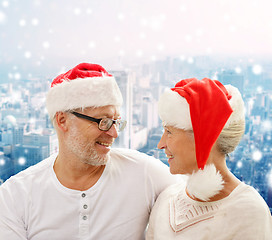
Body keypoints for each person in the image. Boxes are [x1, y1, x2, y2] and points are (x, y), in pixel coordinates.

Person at [0, 63, 177, 240]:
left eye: (116, 122)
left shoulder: (145, 175)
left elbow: (196, 203)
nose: (114, 133)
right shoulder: (15, 197)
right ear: (63, 121)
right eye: (103, 121)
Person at [146, 78, 272, 239]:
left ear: (204, 138)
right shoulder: (166, 200)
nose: (160, 144)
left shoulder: (249, 212)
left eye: (169, 132)